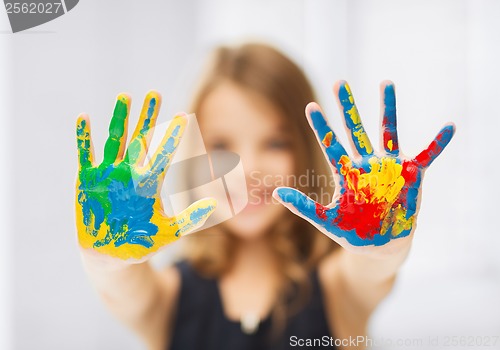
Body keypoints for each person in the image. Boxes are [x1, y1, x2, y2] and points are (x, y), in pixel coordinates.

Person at [75, 43, 455, 350]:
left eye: (275, 142)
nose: (250, 169)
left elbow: (372, 272)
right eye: (222, 145)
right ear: (191, 154)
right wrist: (106, 258)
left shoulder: (339, 286)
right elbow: (122, 289)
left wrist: (382, 249)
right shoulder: (168, 297)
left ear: (305, 149)